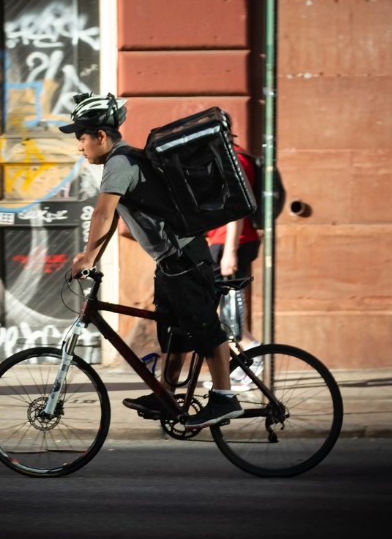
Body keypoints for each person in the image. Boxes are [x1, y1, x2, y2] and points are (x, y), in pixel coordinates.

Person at [63, 92, 242, 429]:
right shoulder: (124, 162)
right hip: (171, 262)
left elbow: (103, 212)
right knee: (173, 334)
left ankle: (224, 398)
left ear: (101, 136)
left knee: (204, 327)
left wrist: (87, 255)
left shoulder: (120, 162)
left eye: (81, 138)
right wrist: (93, 258)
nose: (79, 147)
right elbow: (114, 217)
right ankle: (166, 396)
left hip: (186, 256)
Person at [205, 142, 263, 391]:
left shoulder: (236, 159)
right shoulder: (230, 157)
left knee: (229, 311)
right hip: (225, 241)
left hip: (231, 242)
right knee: (220, 310)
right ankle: (242, 366)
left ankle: (253, 356)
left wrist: (229, 252)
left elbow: (236, 209)